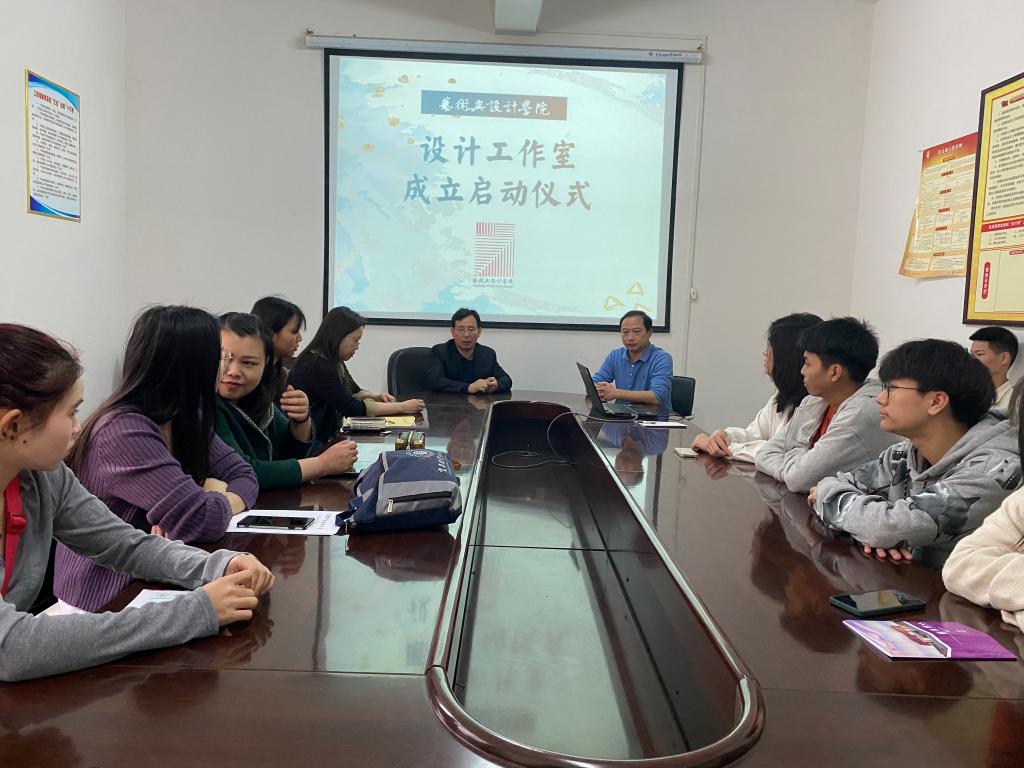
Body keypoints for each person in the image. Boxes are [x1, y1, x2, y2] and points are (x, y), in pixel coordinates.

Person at [0, 323, 274, 682]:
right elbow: (12, 649)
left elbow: (123, 544)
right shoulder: (119, 429)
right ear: (13, 427)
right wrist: (196, 611)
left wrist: (217, 565)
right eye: (71, 413)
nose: (78, 427)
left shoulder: (43, 476)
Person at [55, 306, 259, 612]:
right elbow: (202, 519)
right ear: (194, 364)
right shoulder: (123, 430)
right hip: (104, 596)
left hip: (163, 575)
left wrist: (216, 498)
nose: (226, 367)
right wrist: (212, 495)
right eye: (222, 357)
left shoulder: (186, 415)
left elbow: (244, 474)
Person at [811, 340, 1021, 565]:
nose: (880, 399)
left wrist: (878, 529)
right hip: (906, 580)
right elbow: (832, 484)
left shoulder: (995, 469)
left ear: (936, 402)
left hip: (953, 587)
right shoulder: (903, 453)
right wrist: (871, 528)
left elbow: (884, 528)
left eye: (891, 389)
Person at [755, 317, 899, 492]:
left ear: (834, 372)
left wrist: (792, 457)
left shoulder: (860, 415)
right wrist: (794, 466)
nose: (802, 371)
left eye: (807, 363)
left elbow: (798, 480)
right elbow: (764, 454)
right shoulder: (814, 401)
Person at [216, 313, 358, 489]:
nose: (233, 371)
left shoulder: (258, 397)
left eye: (249, 363)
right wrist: (322, 464)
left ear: (265, 364)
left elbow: (290, 453)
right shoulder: (206, 407)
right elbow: (244, 473)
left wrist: (301, 420)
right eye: (224, 358)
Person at [943, 380, 1024, 629]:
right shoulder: (1021, 501)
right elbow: (959, 566)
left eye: (892, 389)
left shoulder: (993, 464)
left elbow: (897, 526)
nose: (881, 399)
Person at [692, 312, 822, 462]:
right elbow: (754, 434)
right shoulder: (782, 396)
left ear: (787, 355)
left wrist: (727, 448)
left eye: (770, 347)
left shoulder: (814, 402)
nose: (765, 353)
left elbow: (781, 453)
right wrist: (725, 436)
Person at [288, 306, 424, 438]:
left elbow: (354, 391)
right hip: (312, 442)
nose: (357, 346)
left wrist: (375, 397)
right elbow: (351, 407)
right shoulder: (317, 366)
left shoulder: (333, 360)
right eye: (355, 340)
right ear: (338, 337)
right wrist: (402, 407)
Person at [591, 310, 672, 411]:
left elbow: (656, 397)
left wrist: (615, 393)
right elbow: (594, 383)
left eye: (636, 331)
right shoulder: (615, 355)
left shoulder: (662, 358)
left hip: (654, 417)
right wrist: (597, 389)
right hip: (621, 415)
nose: (630, 338)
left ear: (649, 332)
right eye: (625, 332)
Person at [424, 308, 513, 395]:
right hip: (448, 403)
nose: (466, 334)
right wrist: (468, 387)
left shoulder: (488, 354)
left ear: (479, 332)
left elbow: (506, 380)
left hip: (480, 404)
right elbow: (434, 381)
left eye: (471, 329)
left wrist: (497, 385)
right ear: (453, 331)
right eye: (461, 329)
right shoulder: (440, 351)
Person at [251, 295, 306, 400]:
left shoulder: (279, 374)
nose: (299, 338)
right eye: (294, 331)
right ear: (271, 332)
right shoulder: (250, 377)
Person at [969, 326, 1019, 410]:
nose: (972, 360)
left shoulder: (1016, 402)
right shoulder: (967, 393)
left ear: (1004, 358)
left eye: (979, 354)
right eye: (972, 355)